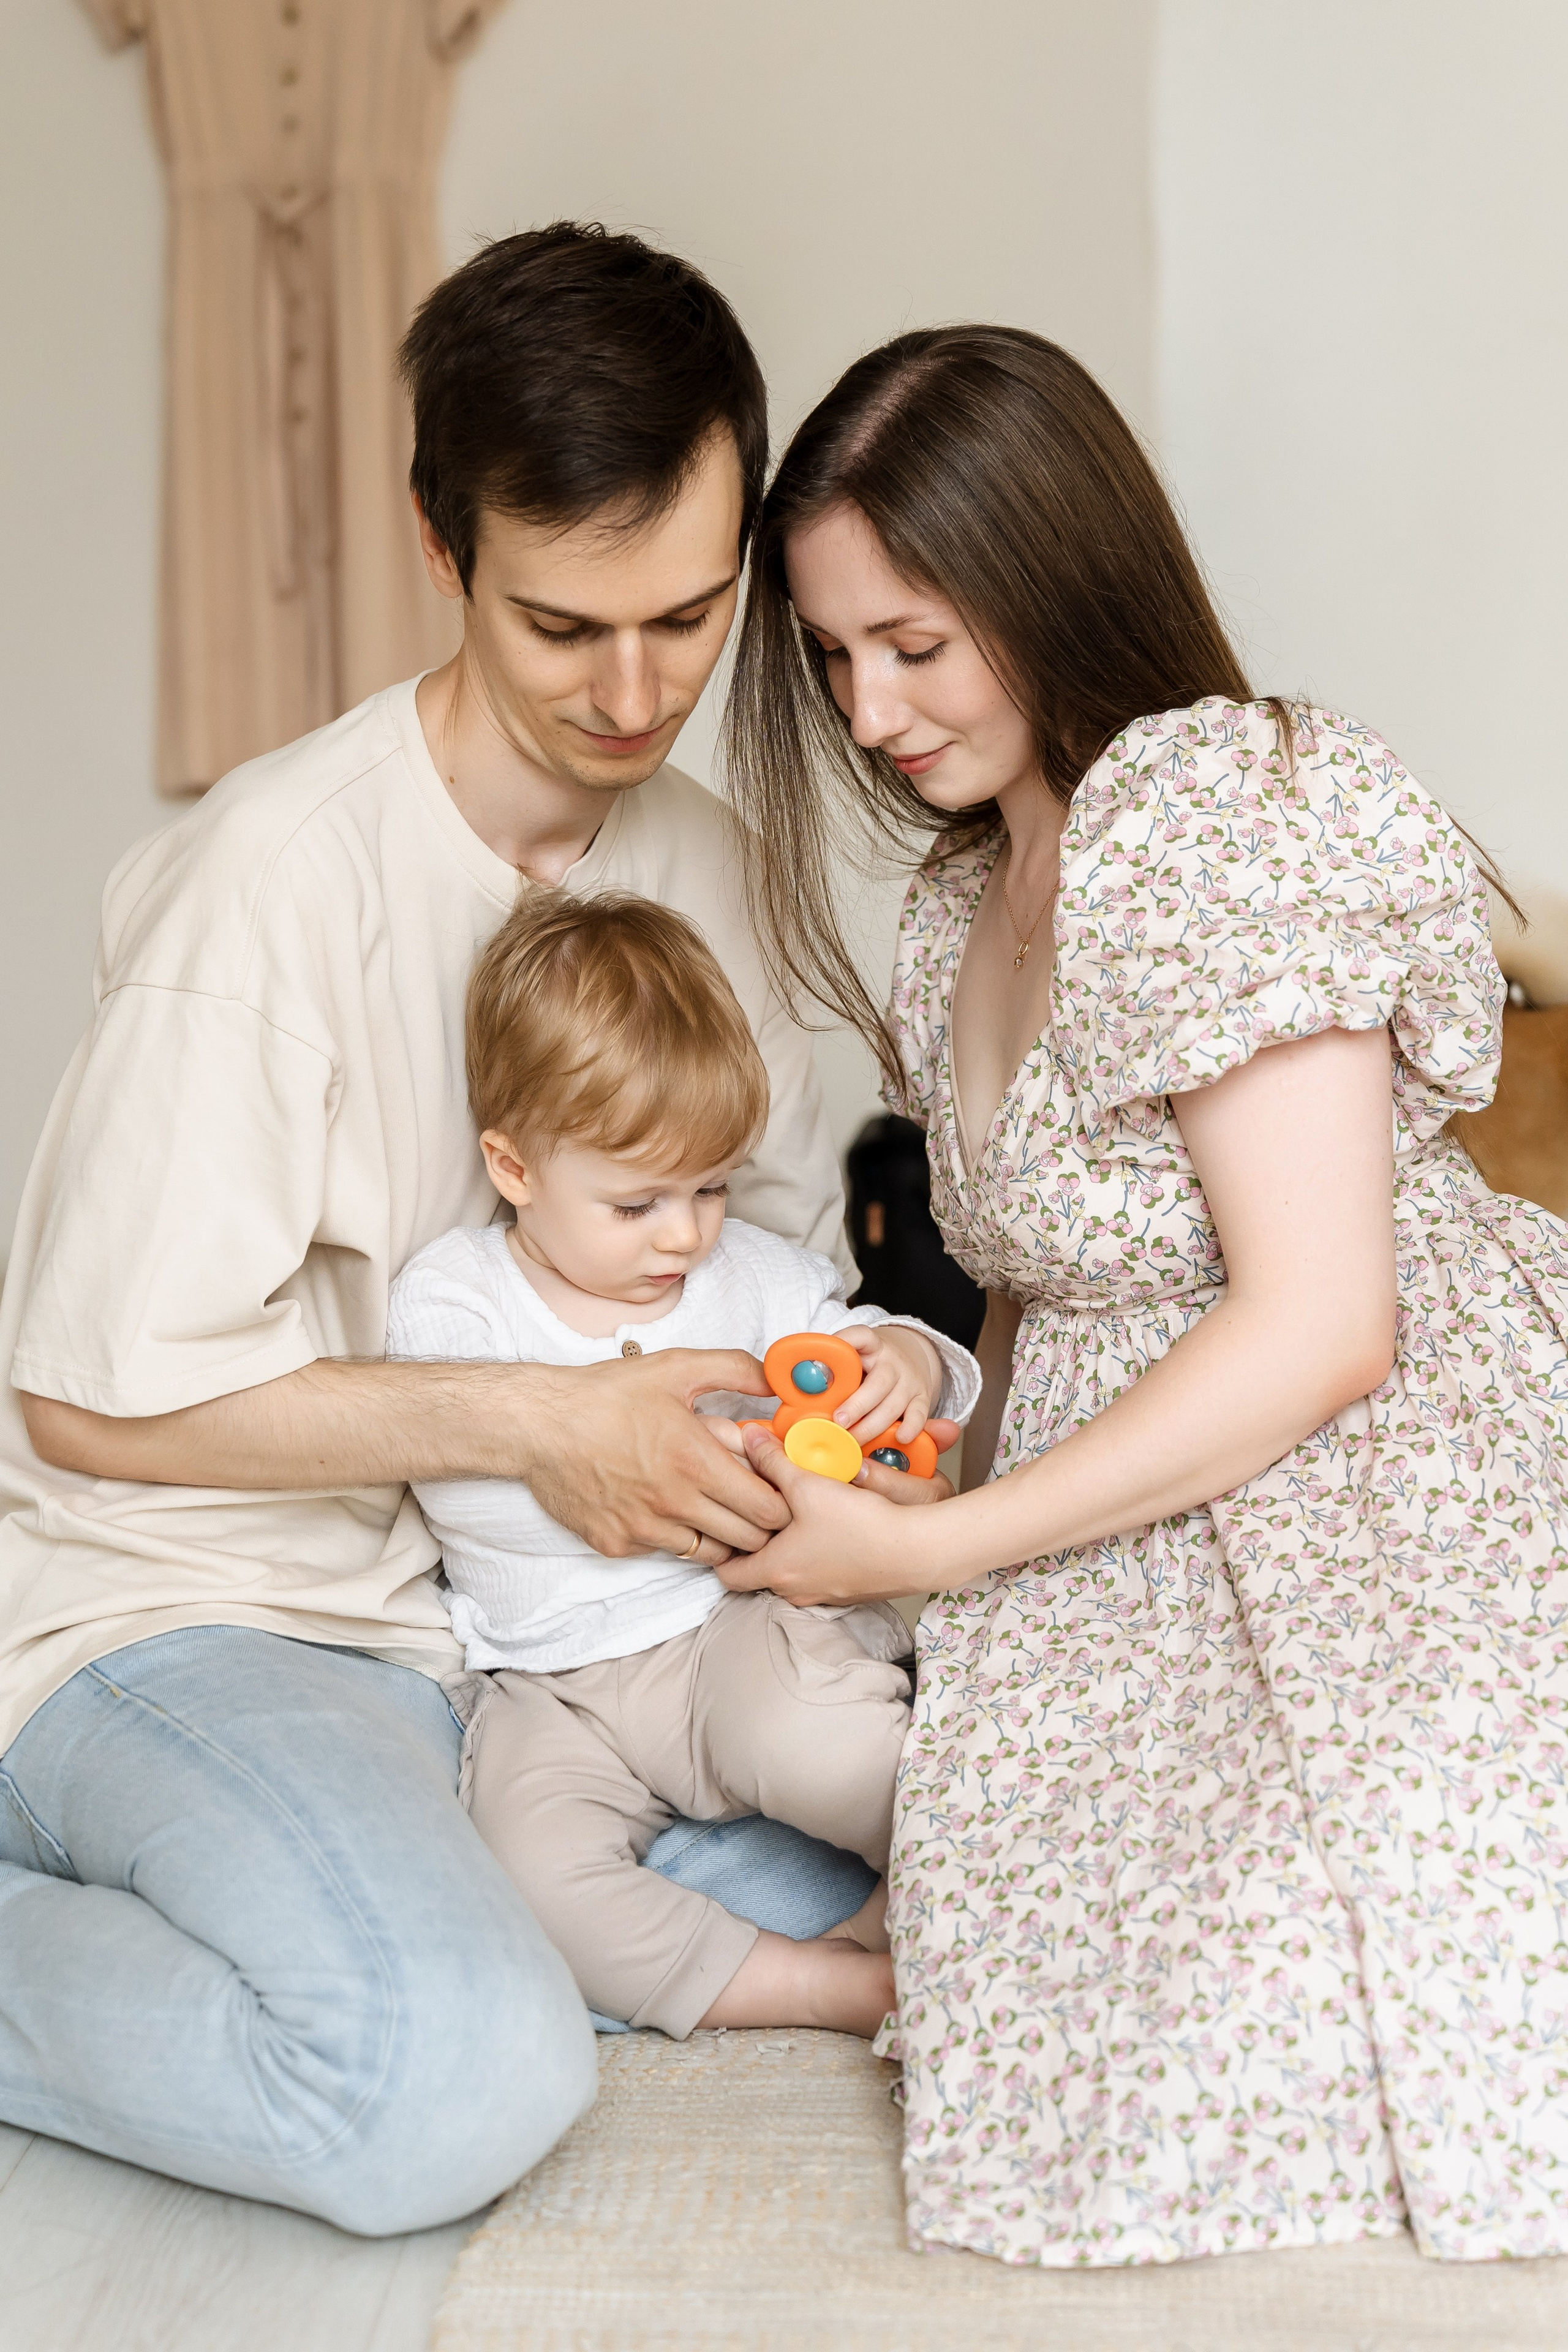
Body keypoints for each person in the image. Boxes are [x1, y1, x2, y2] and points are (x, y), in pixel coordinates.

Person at [0, 224, 880, 2237]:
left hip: (541, 1646)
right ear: (439, 543)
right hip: (206, 1618)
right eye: (568, 627)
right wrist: (537, 1427)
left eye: (692, 613)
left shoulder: (706, 872)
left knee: (943, 1837)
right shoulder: (266, 891)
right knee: (451, 2077)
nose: (639, 692)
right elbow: (85, 1412)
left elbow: (760, 1278)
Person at [717, 324, 1568, 2269]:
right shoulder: (959, 903)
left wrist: (941, 1562)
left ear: (1048, 576)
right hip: (1118, 1531)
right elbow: (1028, 1282)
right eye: (836, 658)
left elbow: (1323, 1322)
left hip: (1368, 1493)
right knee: (1040, 2037)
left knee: (1267, 2021)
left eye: (914, 647)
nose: (869, 710)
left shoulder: (1212, 811)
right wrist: (944, 1475)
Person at [388, 891, 978, 2040]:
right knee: (527, 1883)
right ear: (513, 1167)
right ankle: (824, 1984)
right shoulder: (456, 1296)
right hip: (551, 1686)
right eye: (637, 1201)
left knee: (853, 1759)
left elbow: (887, 1360)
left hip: (734, 1634)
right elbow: (462, 1480)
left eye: (712, 1185)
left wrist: (909, 1357)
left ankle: (993, 1902)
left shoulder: (753, 1277)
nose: (685, 1235)